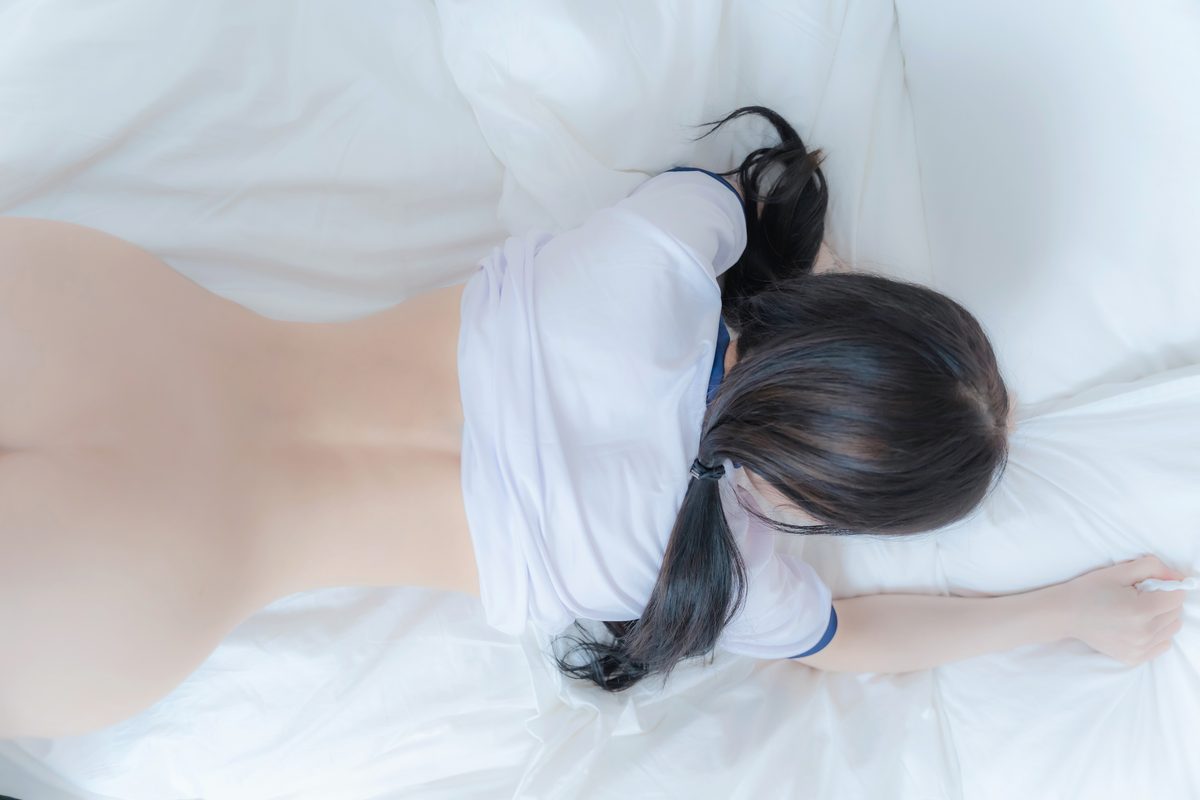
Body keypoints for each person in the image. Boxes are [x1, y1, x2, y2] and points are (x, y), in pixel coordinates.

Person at [0, 108, 1183, 739]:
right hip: (146, 585)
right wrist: (1063, 609)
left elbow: (749, 202)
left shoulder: (665, 252)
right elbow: (860, 640)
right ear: (831, 507)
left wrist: (823, 310)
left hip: (128, 342)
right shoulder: (718, 577)